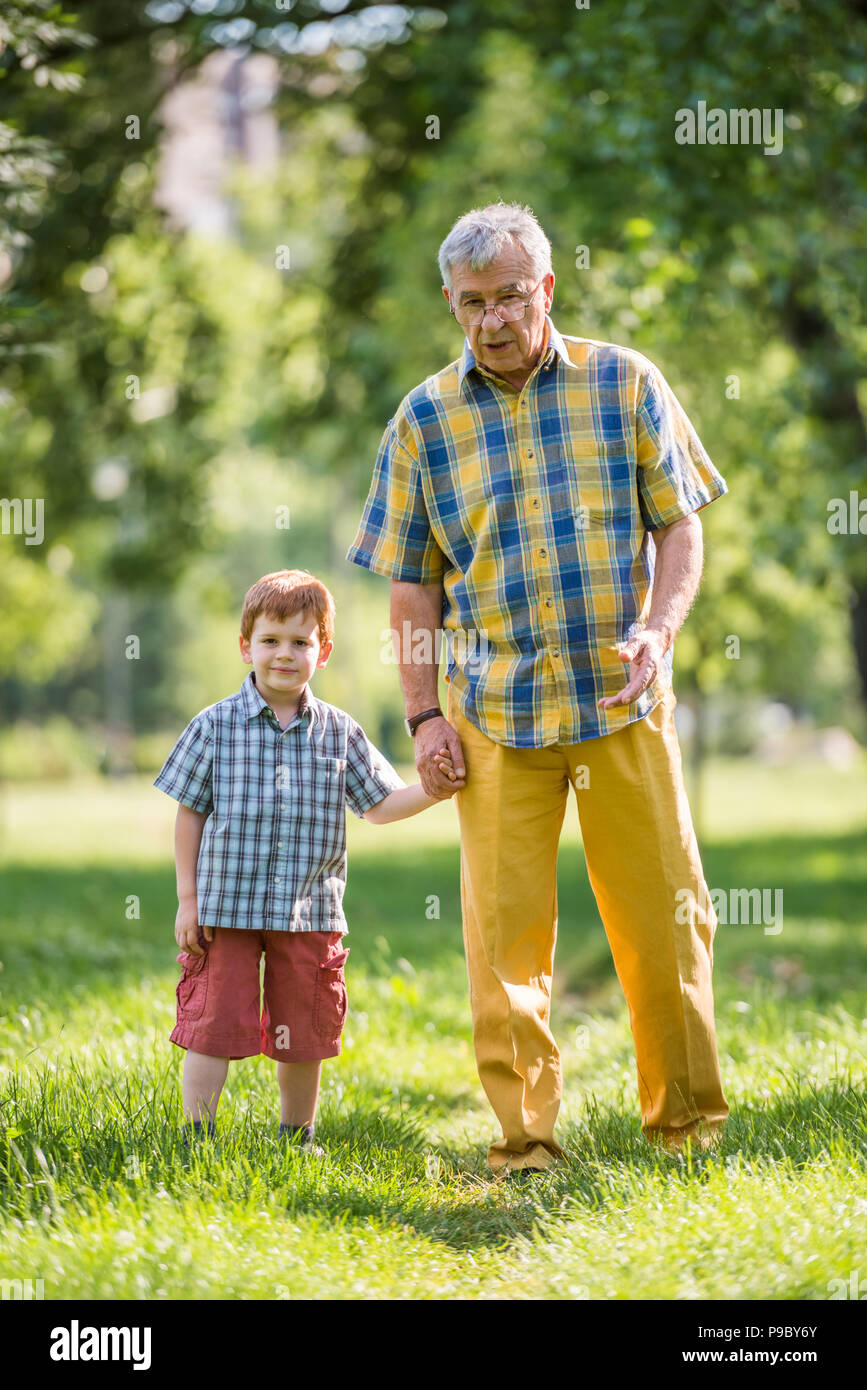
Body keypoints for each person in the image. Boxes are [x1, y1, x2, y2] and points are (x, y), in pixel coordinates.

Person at [346, 200, 730, 1176]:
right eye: (472, 303)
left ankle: (685, 1130)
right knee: (503, 949)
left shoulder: (626, 382)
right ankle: (527, 1146)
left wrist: (660, 625)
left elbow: (680, 525)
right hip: (494, 719)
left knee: (665, 923)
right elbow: (411, 582)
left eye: (511, 296)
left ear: (546, 288)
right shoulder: (423, 418)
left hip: (619, 703)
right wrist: (425, 714)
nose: (494, 320)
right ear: (452, 304)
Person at [153, 568, 458, 1149]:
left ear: (324, 650)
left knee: (303, 1033)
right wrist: (187, 900)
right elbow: (189, 812)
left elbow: (379, 805)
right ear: (246, 646)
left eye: (300, 641)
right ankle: (197, 1137)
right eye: (270, 640)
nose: (284, 654)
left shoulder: (339, 732)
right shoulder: (214, 727)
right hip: (225, 910)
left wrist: (435, 790)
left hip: (309, 914)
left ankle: (298, 1136)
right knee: (212, 1027)